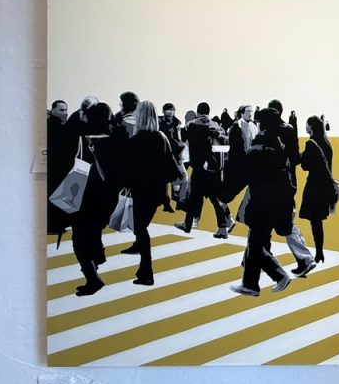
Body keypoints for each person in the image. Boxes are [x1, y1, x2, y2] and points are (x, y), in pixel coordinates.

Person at [230, 108, 293, 297]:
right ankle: (250, 283)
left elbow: (243, 177)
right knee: (257, 243)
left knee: (256, 245)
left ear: (262, 126)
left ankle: (279, 276)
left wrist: (225, 194)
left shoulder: (257, 149)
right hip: (276, 205)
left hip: (260, 205)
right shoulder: (280, 147)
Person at [125, 101, 180, 286]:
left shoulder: (133, 142)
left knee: (140, 229)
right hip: (156, 191)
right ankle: (143, 268)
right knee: (141, 227)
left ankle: (146, 272)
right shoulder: (161, 138)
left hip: (139, 191)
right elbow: (172, 170)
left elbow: (127, 171)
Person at [70, 102, 120, 295]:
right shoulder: (116, 139)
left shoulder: (85, 140)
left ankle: (93, 279)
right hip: (110, 195)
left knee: (79, 238)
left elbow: (78, 165)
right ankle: (97, 259)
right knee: (95, 229)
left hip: (88, 195)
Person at [268, 99, 315, 272]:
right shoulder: (289, 129)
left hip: (271, 183)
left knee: (267, 222)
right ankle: (303, 258)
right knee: (282, 219)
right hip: (288, 182)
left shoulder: (267, 130)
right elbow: (295, 158)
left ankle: (304, 258)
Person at [175, 102, 232, 238]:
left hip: (199, 167)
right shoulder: (215, 125)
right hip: (214, 168)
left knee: (193, 196)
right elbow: (224, 142)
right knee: (215, 198)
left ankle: (187, 224)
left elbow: (183, 140)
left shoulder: (192, 125)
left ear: (198, 112)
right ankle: (222, 228)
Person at [299, 115, 335, 268]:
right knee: (318, 221)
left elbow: (305, 166)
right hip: (325, 187)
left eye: (307, 124)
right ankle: (319, 251)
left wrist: (301, 155)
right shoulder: (327, 143)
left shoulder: (311, 143)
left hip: (314, 186)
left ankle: (319, 252)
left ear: (311, 127)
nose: (305, 127)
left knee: (315, 222)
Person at [46, 100, 74, 237]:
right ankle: (56, 225)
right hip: (54, 169)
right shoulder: (52, 126)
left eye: (65, 110)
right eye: (61, 110)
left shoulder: (62, 126)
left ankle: (58, 224)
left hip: (60, 169)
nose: (65, 113)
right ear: (53, 111)